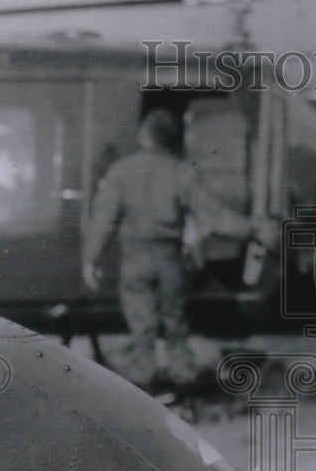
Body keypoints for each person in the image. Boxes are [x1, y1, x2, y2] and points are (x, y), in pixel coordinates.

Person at [82, 108, 265, 392]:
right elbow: (213, 216)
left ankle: (144, 384)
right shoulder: (181, 172)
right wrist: (253, 228)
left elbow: (104, 220)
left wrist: (91, 259)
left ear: (144, 135)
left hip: (135, 257)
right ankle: (184, 380)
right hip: (169, 259)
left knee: (142, 326)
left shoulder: (121, 171)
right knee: (176, 325)